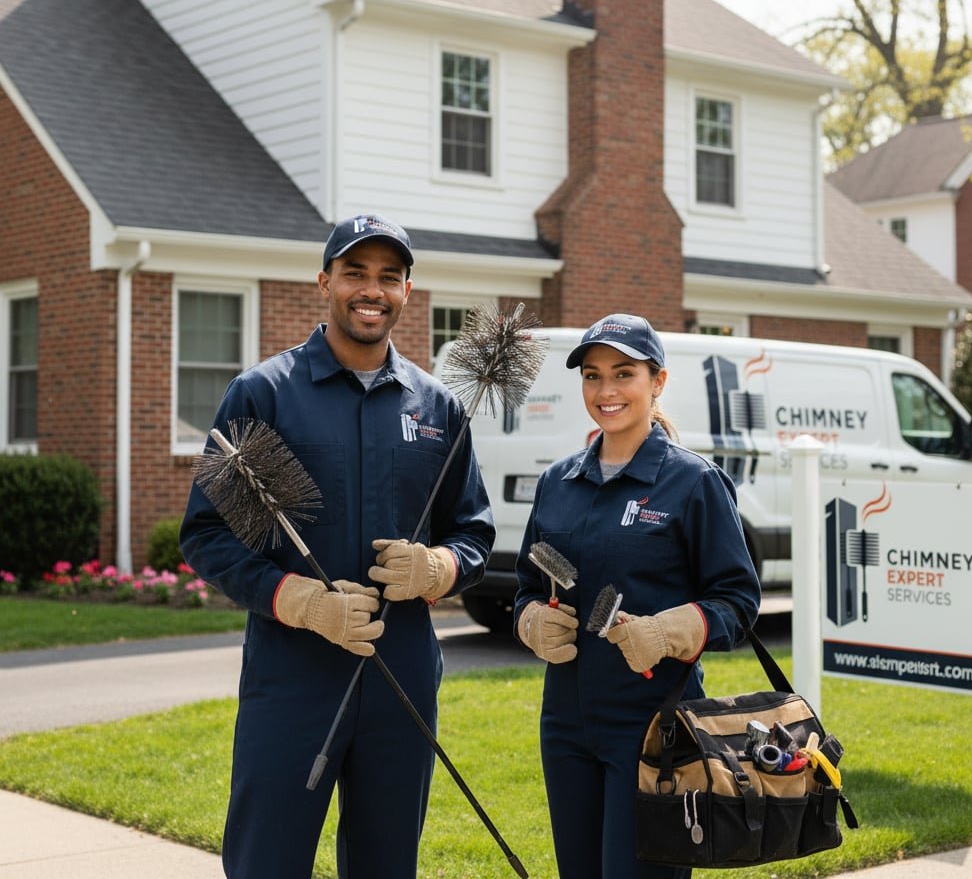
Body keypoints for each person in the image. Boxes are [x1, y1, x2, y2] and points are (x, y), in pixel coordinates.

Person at [180, 213, 494, 879]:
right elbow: (207, 533)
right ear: (325, 282)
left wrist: (437, 567)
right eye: (355, 273)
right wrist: (299, 601)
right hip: (293, 675)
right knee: (267, 861)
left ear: (407, 291)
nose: (371, 290)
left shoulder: (437, 407)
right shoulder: (264, 394)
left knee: (388, 863)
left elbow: (474, 531)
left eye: (389, 277)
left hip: (402, 672)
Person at [514, 313, 761, 879]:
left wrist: (668, 632)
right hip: (566, 724)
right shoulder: (558, 482)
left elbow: (738, 601)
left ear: (658, 382)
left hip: (656, 727)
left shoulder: (694, 482)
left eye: (623, 373)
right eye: (593, 376)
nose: (606, 390)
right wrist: (531, 623)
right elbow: (528, 585)